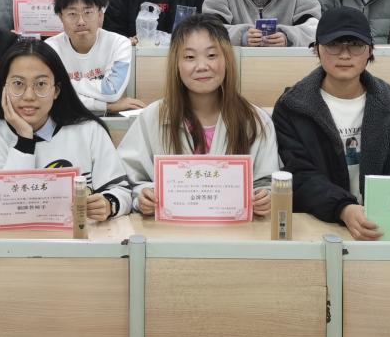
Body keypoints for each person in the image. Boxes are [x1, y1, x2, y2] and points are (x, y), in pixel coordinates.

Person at [272, 7, 390, 240]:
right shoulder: (292, 108)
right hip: (319, 223)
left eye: (356, 45)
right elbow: (299, 173)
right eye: (333, 44)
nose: (345, 55)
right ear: (317, 49)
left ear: (370, 50)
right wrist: (343, 208)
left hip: (383, 225)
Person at [119, 14, 278, 216]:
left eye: (211, 55)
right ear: (176, 64)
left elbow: (268, 182)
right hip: (170, 232)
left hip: (234, 231)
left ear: (227, 59)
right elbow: (126, 180)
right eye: (189, 57)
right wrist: (143, 197)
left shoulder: (254, 120)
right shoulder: (152, 118)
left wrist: (265, 197)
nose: (202, 66)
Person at [0, 39, 132, 220]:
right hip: (15, 236)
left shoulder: (88, 130)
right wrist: (24, 140)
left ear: (56, 90)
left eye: (41, 84)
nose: (29, 96)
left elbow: (121, 191)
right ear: (3, 88)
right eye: (18, 84)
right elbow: (2, 208)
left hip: (79, 236)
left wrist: (109, 204)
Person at [46, 0, 145, 114]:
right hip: (65, 118)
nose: (81, 22)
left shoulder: (119, 43)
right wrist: (106, 106)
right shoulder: (50, 49)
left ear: (100, 15)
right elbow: (49, 95)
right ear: (60, 17)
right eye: (72, 14)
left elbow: (111, 91)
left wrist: (63, 85)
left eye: (87, 12)